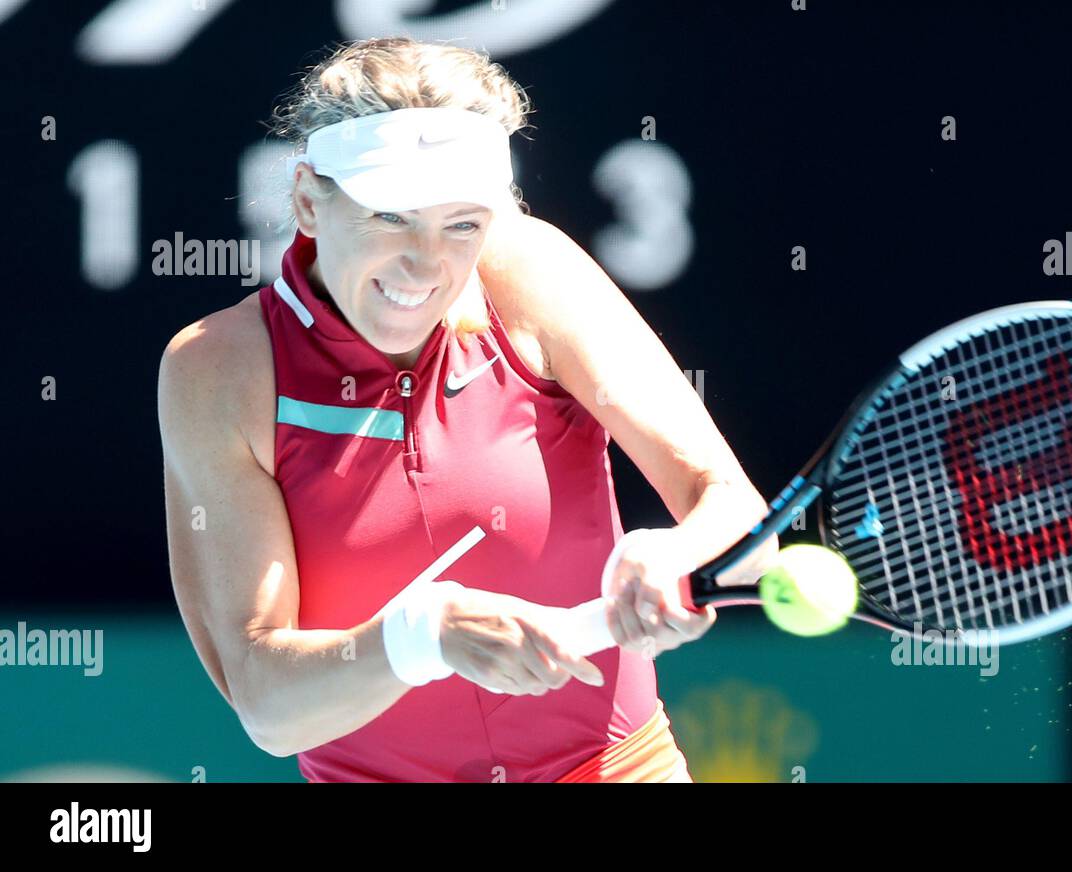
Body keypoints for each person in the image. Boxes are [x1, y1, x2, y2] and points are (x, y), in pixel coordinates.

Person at [158, 37, 776, 782]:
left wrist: (675, 554)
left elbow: (733, 510)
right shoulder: (216, 370)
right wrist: (423, 634)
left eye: (462, 223)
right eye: (390, 217)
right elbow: (267, 708)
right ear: (307, 202)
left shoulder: (529, 270)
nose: (427, 264)